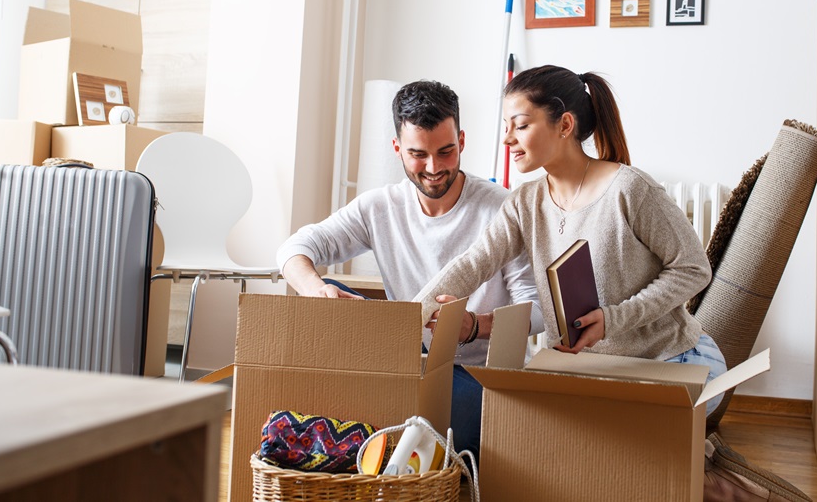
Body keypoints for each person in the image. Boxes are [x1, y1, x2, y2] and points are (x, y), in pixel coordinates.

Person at [415, 65, 727, 415]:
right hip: (585, 369)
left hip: (672, 360)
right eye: (506, 127)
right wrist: (410, 317)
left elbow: (693, 269)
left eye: (520, 125)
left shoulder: (629, 189)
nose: (507, 139)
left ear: (564, 125)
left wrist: (613, 319)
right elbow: (475, 262)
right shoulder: (524, 203)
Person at [276, 79, 544, 459]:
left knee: (424, 429)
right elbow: (294, 248)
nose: (434, 168)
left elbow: (537, 310)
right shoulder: (379, 207)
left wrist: (474, 327)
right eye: (418, 154)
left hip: (478, 374)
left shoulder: (503, 209)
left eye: (446, 152)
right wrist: (316, 290)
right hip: (406, 364)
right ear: (397, 149)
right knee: (325, 292)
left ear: (462, 141)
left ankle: (389, 437)